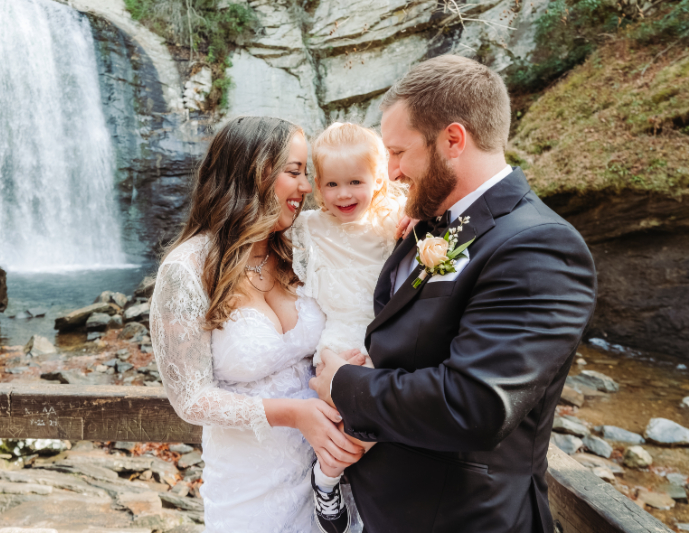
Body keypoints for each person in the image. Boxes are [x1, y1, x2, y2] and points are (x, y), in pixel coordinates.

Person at [310, 54, 597, 533]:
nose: (394, 173)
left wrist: (343, 385)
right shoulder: (435, 222)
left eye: (400, 153)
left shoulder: (540, 245)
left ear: (453, 140)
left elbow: (473, 405)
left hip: (460, 518)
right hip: (389, 510)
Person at [149, 116, 364, 532]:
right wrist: (294, 414)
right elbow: (190, 398)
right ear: (252, 174)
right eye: (294, 172)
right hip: (249, 490)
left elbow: (366, 240)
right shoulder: (187, 270)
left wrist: (408, 226)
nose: (307, 188)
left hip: (333, 476)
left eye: (307, 174)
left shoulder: (302, 246)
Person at [289, 122, 411, 533]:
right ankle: (330, 478)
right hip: (338, 339)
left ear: (378, 180)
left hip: (385, 340)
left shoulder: (392, 222)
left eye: (356, 182)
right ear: (318, 186)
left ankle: (327, 477)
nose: (344, 194)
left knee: (381, 419)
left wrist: (415, 216)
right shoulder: (308, 227)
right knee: (337, 415)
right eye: (332, 184)